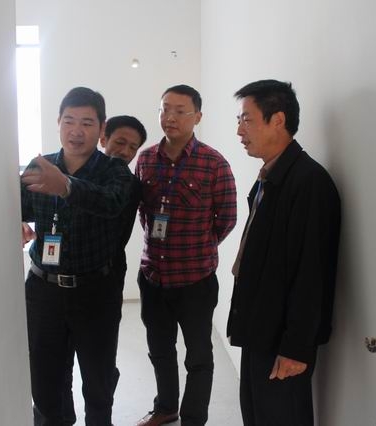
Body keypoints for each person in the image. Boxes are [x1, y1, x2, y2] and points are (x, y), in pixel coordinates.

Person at [226, 79, 341, 426]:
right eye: (239, 120)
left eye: (247, 120)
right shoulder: (272, 176)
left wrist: (295, 348)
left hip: (282, 342)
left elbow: (311, 274)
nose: (239, 131)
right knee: (257, 415)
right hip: (261, 330)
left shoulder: (308, 183)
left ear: (277, 120)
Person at [21, 87, 133, 426]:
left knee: (98, 382)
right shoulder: (39, 166)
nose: (76, 131)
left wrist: (66, 186)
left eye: (87, 123)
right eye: (69, 121)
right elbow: (16, 207)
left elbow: (111, 202)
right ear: (58, 122)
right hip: (43, 291)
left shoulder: (114, 171)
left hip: (95, 292)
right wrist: (16, 223)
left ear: (101, 128)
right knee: (46, 383)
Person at [134, 85, 237, 426]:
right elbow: (143, 212)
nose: (170, 117)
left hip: (196, 281)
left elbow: (227, 217)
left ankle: (194, 418)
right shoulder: (145, 159)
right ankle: (166, 407)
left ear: (198, 117)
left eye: (180, 111)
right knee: (160, 349)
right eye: (165, 109)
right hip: (153, 277)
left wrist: (200, 246)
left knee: (199, 356)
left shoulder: (213, 163)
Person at [57, 115, 149, 425]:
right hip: (57, 284)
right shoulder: (67, 170)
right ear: (103, 138)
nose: (125, 151)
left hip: (103, 279)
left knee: (99, 365)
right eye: (120, 142)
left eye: (133, 148)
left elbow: (113, 220)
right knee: (56, 367)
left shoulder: (129, 185)